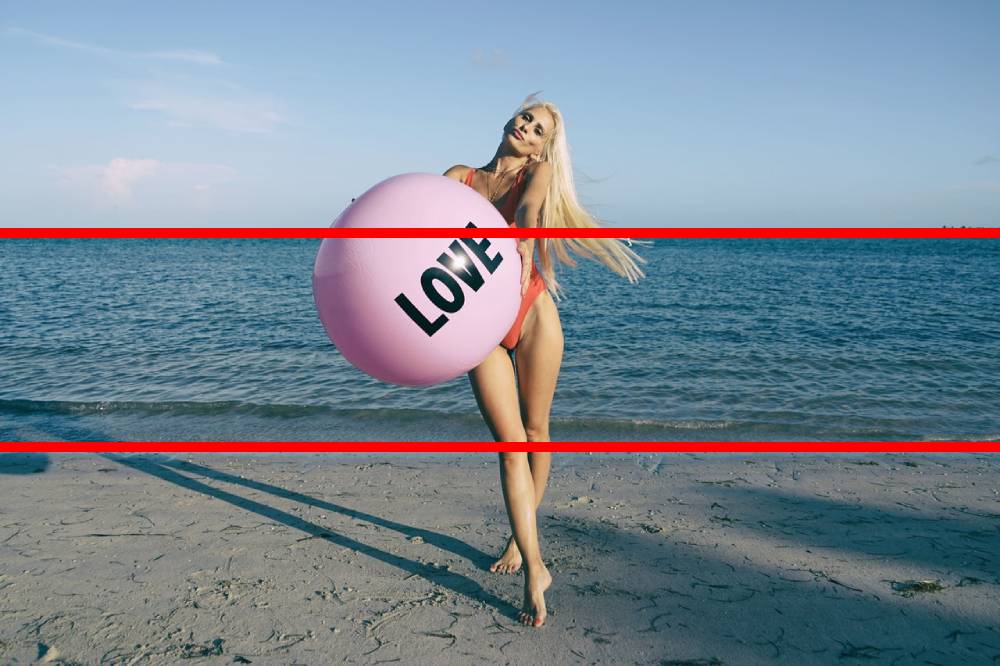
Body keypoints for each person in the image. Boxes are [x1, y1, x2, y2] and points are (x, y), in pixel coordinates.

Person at [443, 95, 644, 628]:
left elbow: (530, 210)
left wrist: (525, 244)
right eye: (525, 118)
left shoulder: (540, 172)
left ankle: (519, 535)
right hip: (476, 322)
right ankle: (537, 568)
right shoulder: (459, 177)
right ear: (511, 118)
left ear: (544, 145)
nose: (527, 129)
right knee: (510, 446)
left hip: (530, 310)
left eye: (539, 129)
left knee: (536, 430)